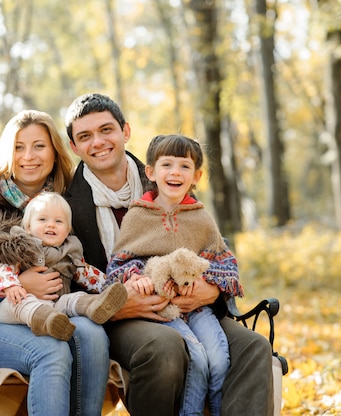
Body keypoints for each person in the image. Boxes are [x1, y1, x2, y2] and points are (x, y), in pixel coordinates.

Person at [63, 93, 274, 416]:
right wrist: (118, 303)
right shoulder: (67, 203)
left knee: (254, 347)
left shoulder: (167, 175)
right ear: (75, 147)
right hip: (117, 321)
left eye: (107, 130)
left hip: (191, 306)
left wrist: (212, 289)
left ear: (125, 131)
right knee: (164, 346)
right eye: (85, 136)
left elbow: (209, 247)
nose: (98, 142)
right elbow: (71, 276)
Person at [0, 109, 111, 416]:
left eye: (39, 146)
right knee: (51, 350)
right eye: (19, 147)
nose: (29, 156)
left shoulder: (70, 198)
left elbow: (82, 261)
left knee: (92, 334)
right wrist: (19, 283)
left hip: (57, 306)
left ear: (54, 151)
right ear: (8, 152)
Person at [107, 134, 245, 415]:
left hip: (197, 308)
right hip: (163, 308)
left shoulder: (201, 218)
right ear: (151, 172)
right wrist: (136, 277)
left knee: (218, 360)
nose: (175, 172)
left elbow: (224, 262)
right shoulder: (138, 215)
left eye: (184, 166)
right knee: (195, 356)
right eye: (167, 164)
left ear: (196, 175)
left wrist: (206, 283)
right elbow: (119, 264)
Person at [0, 191, 127, 341]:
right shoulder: (23, 247)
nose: (51, 225)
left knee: (73, 299)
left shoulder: (70, 252)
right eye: (42, 220)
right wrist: (11, 286)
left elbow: (88, 275)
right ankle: (44, 319)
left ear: (67, 230)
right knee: (22, 303)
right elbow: (4, 268)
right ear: (28, 227)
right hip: (18, 304)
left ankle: (94, 306)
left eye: (58, 221)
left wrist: (107, 286)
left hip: (56, 305)